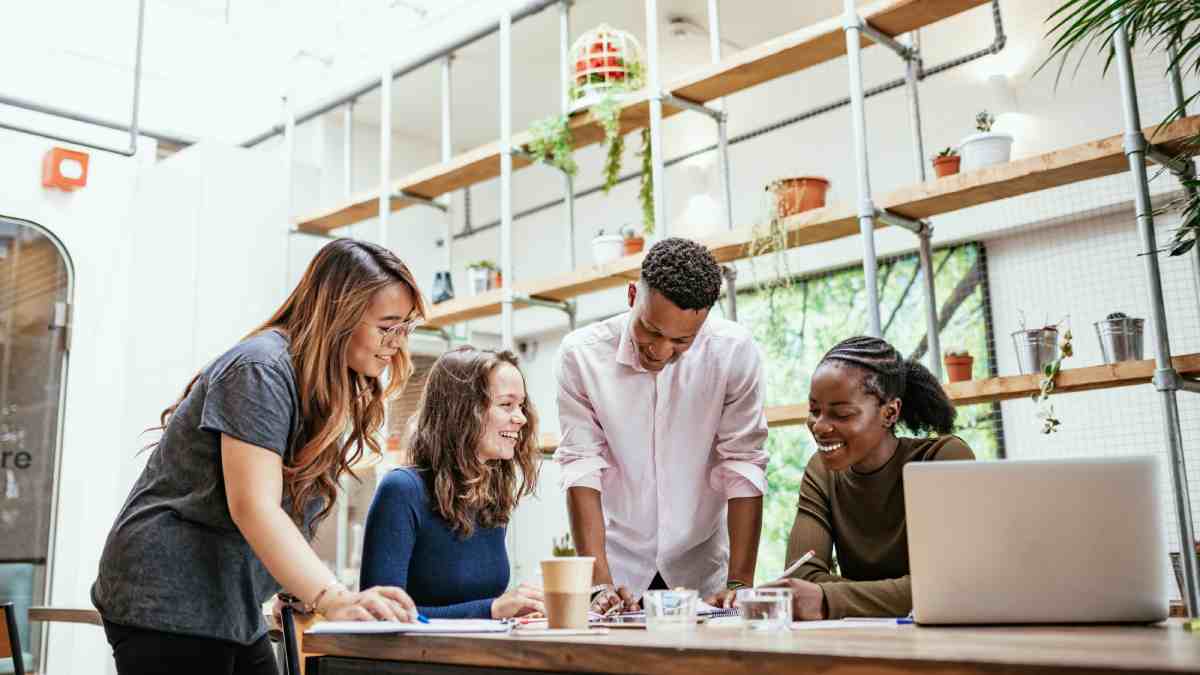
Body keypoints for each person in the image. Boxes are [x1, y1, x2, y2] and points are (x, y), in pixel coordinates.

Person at [92, 239, 425, 675]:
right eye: (387, 327)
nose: (396, 344)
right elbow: (253, 505)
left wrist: (300, 584)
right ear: (339, 316)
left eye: (405, 329)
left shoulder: (318, 383)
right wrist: (332, 596)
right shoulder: (260, 369)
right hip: (167, 592)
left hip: (228, 599)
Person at [554, 237, 769, 612]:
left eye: (681, 341)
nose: (660, 350)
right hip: (618, 571)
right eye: (650, 330)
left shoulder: (733, 352)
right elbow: (581, 467)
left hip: (703, 572)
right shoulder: (581, 356)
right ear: (633, 294)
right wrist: (598, 584)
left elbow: (744, 465)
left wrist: (740, 584)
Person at [764, 336, 975, 620]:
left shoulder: (942, 458)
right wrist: (900, 593)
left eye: (841, 414)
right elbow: (804, 575)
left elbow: (949, 587)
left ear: (890, 413)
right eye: (814, 411)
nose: (820, 426)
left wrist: (828, 599)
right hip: (860, 641)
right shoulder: (821, 471)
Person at [358, 347, 544, 619]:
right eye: (506, 404)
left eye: (521, 405)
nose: (521, 418)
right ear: (462, 411)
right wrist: (491, 610)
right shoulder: (402, 491)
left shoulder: (490, 497)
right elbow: (380, 615)